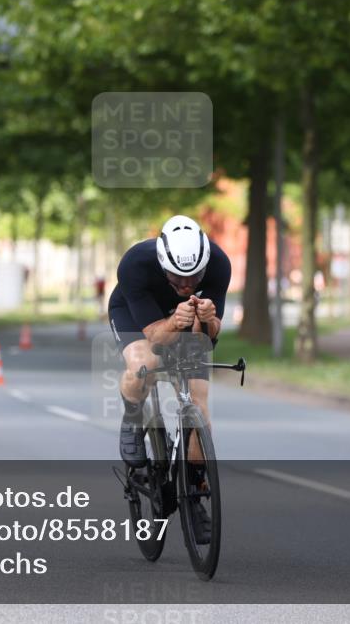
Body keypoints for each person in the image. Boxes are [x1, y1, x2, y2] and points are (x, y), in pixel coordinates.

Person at [107, 215, 231, 541]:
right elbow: (156, 338)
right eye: (178, 277)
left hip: (185, 323)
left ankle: (194, 494)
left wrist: (209, 319)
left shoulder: (219, 264)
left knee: (200, 409)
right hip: (138, 315)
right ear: (163, 264)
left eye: (195, 277)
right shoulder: (135, 264)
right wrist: (176, 321)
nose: (188, 285)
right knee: (143, 364)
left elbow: (209, 337)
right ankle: (133, 418)